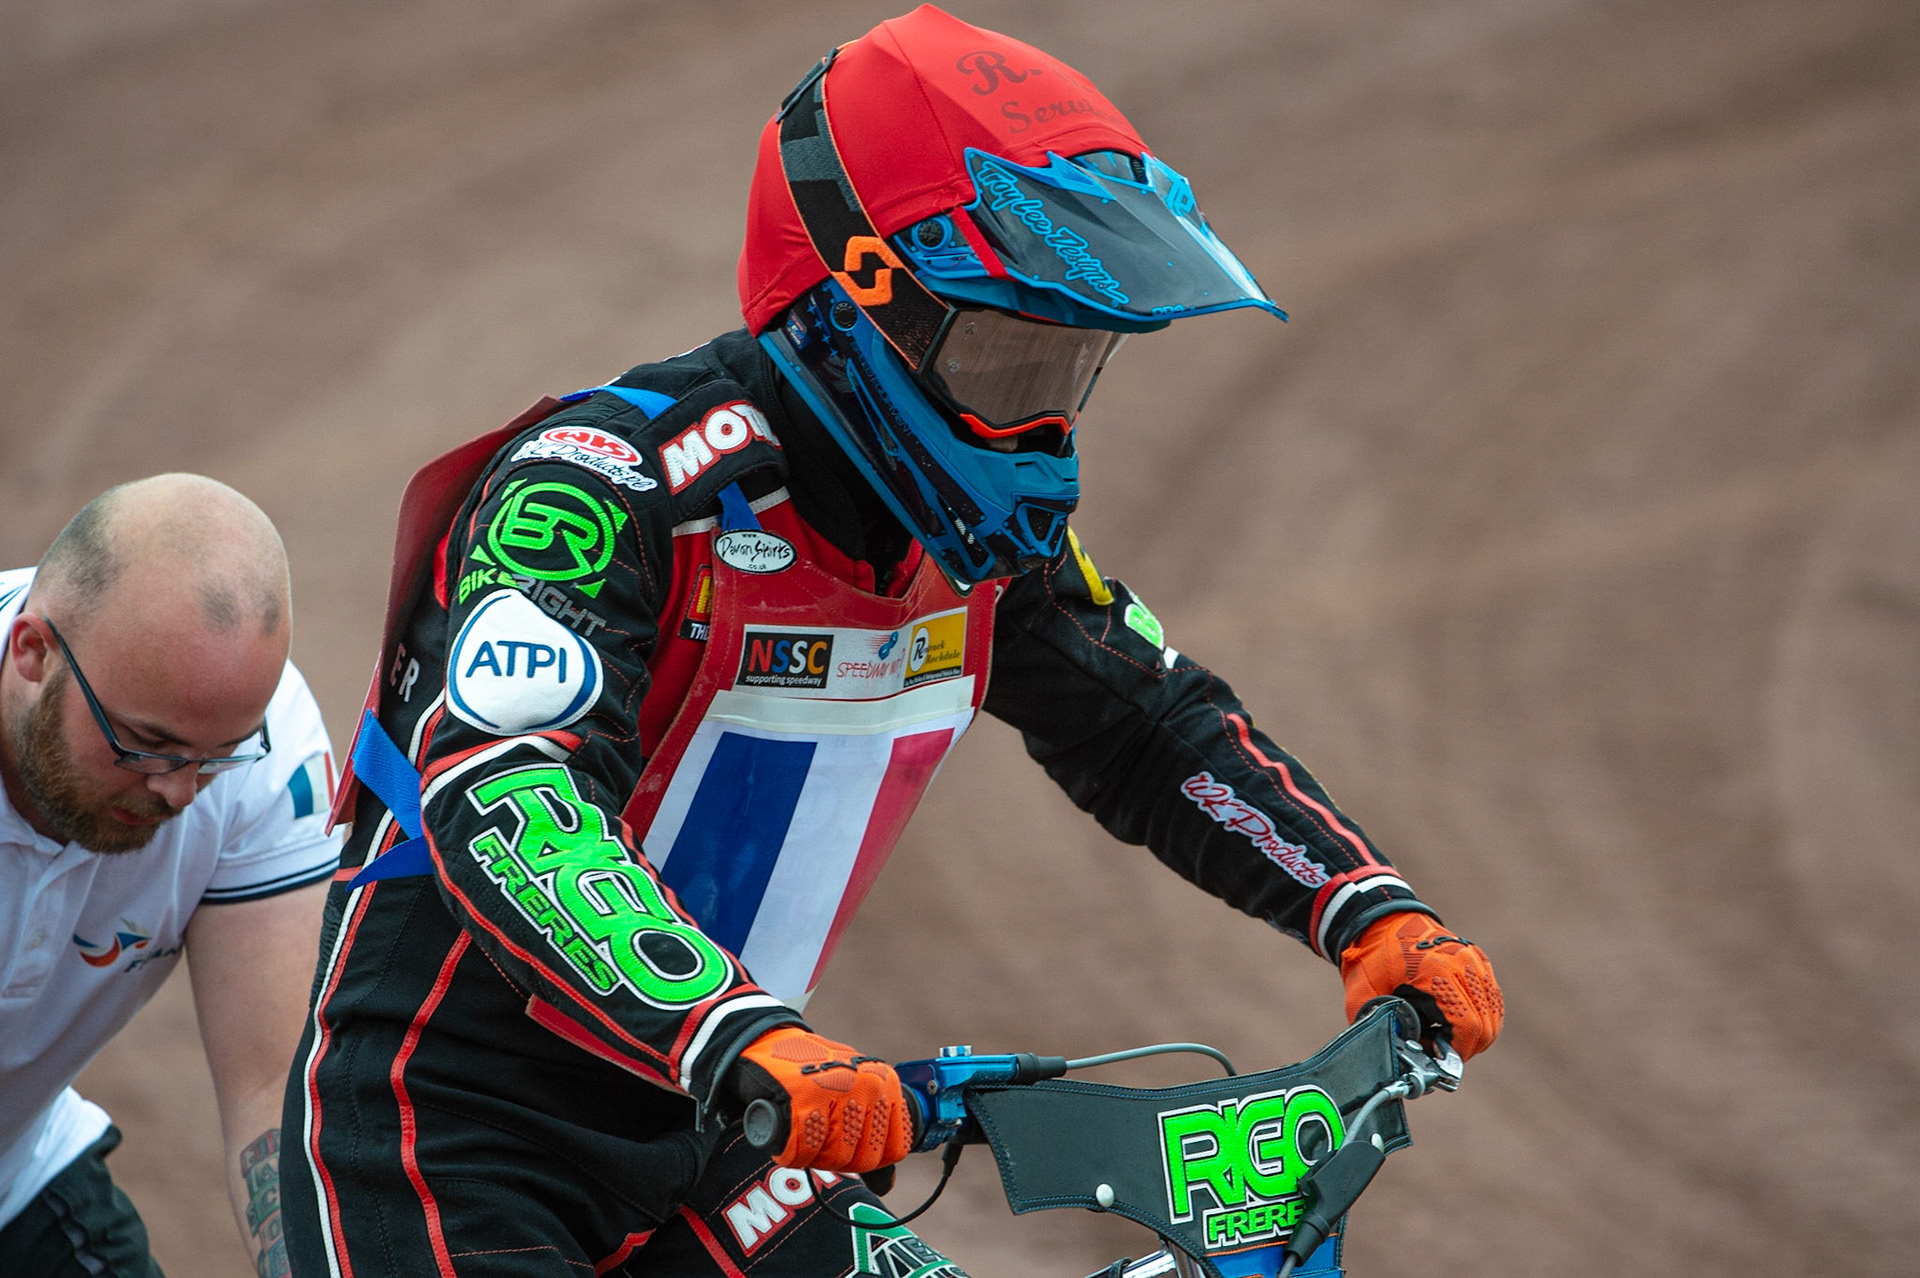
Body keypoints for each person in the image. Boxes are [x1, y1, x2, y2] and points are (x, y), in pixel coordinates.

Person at [284, 7, 1503, 1275]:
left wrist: (1366, 909)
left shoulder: (976, 550)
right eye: (1001, 352)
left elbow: (1150, 729)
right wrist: (734, 1029)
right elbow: (510, 796)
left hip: (727, 1124)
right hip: (455, 1132)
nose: (1035, 420)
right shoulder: (604, 488)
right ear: (850, 299)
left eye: (1065, 363)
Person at [0, 474, 341, 1277]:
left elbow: (274, 1102)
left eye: (216, 758)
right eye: (144, 744)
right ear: (34, 653)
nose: (178, 792)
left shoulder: (270, 754)